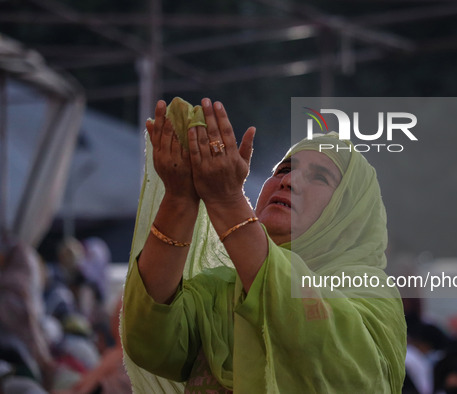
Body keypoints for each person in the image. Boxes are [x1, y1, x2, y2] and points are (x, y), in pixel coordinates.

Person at [121, 98, 407, 393]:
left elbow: (338, 366)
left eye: (320, 177)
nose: (289, 181)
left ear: (347, 213)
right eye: (282, 171)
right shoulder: (220, 290)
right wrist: (179, 199)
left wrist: (227, 201)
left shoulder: (368, 290)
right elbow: (149, 342)